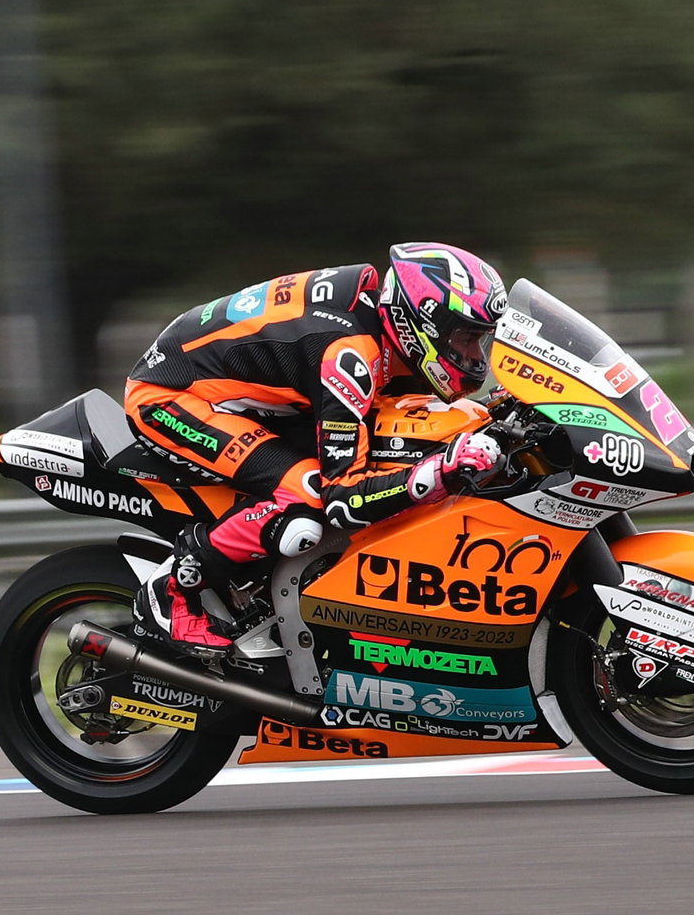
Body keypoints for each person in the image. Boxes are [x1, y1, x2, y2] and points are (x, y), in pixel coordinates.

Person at [124, 242, 509, 657]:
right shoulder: (348, 353)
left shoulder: (377, 328)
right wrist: (440, 473)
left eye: (480, 340)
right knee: (306, 500)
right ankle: (172, 588)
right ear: (419, 322)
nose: (474, 356)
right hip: (169, 397)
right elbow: (343, 498)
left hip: (239, 392)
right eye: (466, 338)